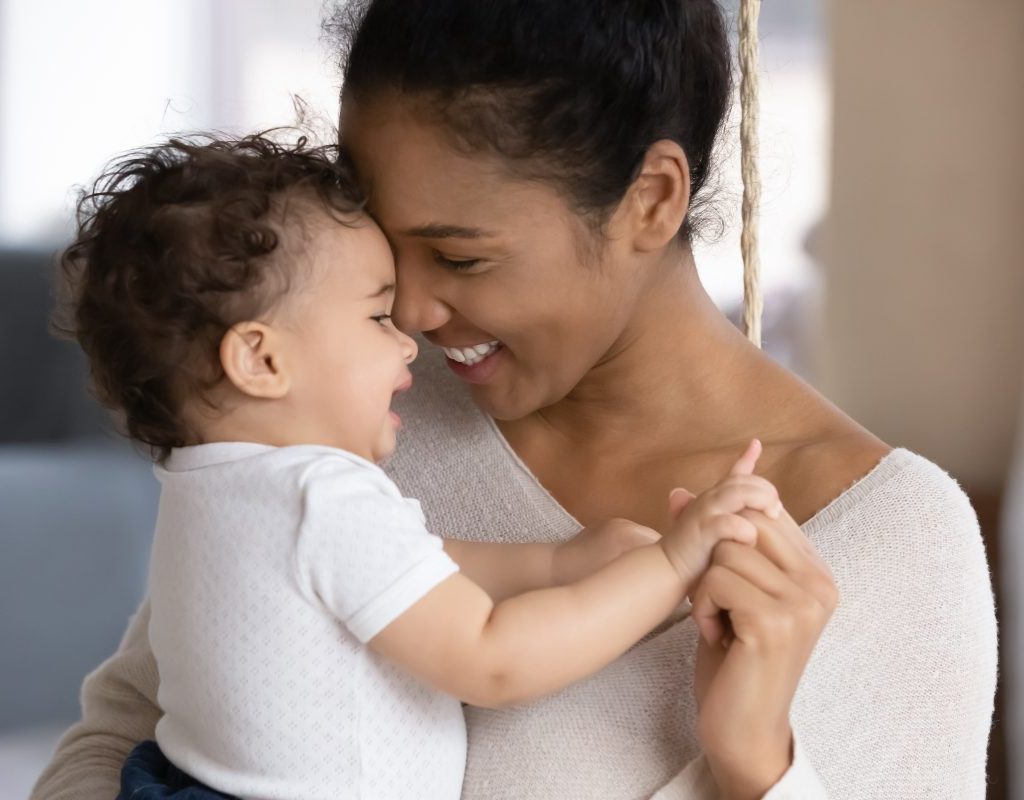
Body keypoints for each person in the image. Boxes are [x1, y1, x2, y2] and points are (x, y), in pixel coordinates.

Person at [33, 1, 997, 798]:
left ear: (652, 200)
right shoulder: (343, 417)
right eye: (384, 244)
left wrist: (755, 770)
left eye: (459, 255)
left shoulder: (889, 542)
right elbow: (117, 740)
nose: (409, 310)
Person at [51, 133, 783, 800]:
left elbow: (416, 568)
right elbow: (494, 660)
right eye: (376, 316)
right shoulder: (319, 494)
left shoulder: (212, 487)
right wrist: (672, 567)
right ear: (261, 358)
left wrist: (562, 562)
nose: (408, 339)